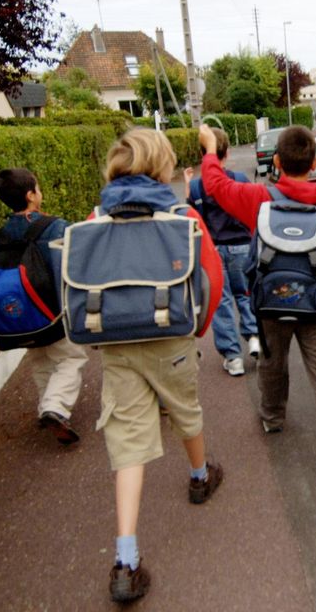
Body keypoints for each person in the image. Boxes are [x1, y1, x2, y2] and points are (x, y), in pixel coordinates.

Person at [93, 129, 225, 603]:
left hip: (117, 342)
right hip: (171, 333)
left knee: (127, 439)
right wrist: (198, 329)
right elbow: (210, 279)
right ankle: (198, 477)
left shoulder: (95, 217)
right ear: (161, 165)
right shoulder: (182, 215)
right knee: (185, 409)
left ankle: (126, 556)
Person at [199, 123, 316, 485]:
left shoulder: (259, 199)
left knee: (273, 366)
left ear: (276, 161)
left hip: (270, 306)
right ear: (315, 162)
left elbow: (215, 185)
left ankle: (272, 418)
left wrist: (211, 149)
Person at [0, 168, 89, 445]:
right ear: (31, 195)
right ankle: (55, 407)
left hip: (23, 315)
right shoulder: (55, 227)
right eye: (38, 188)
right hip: (54, 311)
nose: (40, 192)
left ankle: (46, 405)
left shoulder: (1, 235)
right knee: (70, 358)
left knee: (40, 359)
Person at [187, 126, 260, 377]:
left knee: (222, 302)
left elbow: (192, 219)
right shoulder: (239, 179)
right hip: (242, 247)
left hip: (214, 251)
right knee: (246, 295)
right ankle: (254, 338)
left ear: (202, 154)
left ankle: (232, 356)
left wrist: (188, 189)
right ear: (227, 153)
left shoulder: (197, 187)